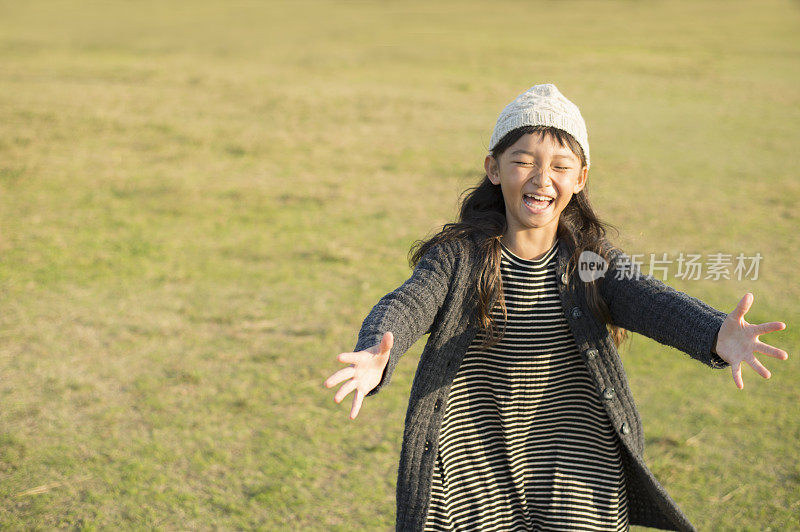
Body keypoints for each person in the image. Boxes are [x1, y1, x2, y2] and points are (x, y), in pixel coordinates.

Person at [323, 84, 788, 532]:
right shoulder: (458, 256)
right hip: (473, 466)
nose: (541, 179)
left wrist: (713, 334)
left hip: (577, 466)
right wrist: (375, 352)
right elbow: (408, 303)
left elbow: (651, 300)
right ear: (494, 168)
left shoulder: (590, 261)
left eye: (560, 167)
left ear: (580, 178)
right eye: (523, 162)